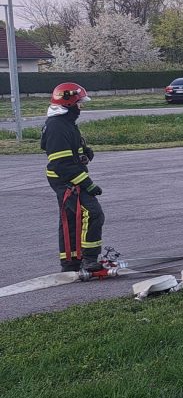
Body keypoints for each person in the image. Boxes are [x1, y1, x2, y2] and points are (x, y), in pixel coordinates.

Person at [41, 83, 105, 273]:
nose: (80, 108)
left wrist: (84, 152)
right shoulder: (57, 127)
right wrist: (88, 184)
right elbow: (62, 164)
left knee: (71, 219)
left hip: (69, 178)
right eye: (79, 103)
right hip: (67, 181)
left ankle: (70, 263)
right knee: (93, 213)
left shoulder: (64, 123)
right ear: (68, 103)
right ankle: (89, 259)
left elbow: (69, 154)